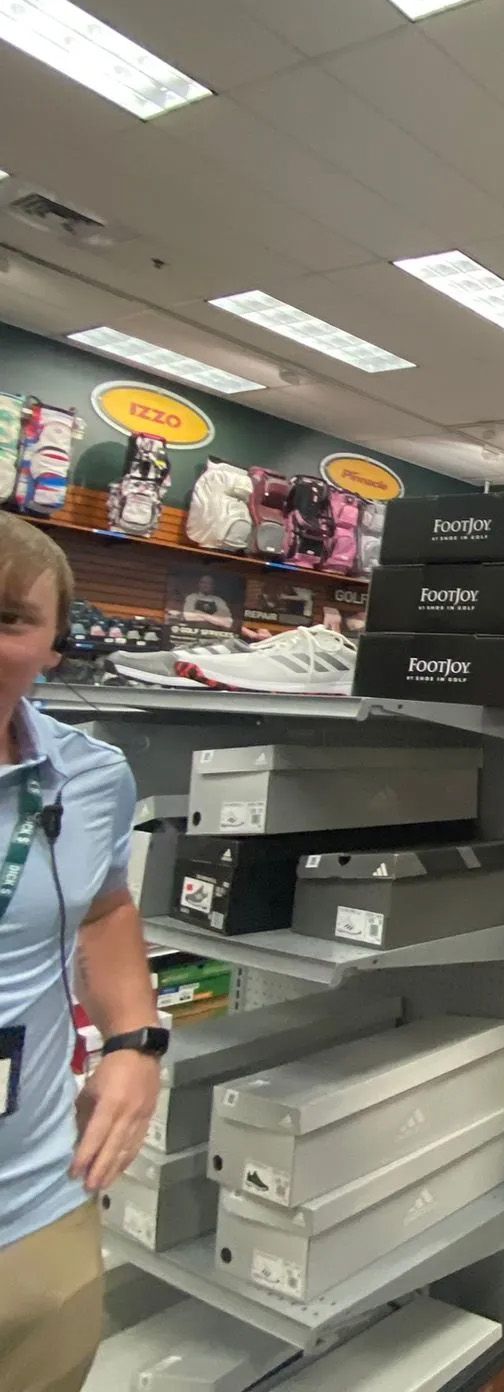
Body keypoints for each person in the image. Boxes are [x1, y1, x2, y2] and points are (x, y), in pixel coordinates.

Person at [0, 517, 162, 1390]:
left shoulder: (89, 777)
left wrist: (137, 1041)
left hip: (40, 1200)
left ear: (54, 646)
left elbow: (103, 906)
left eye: (9, 618)